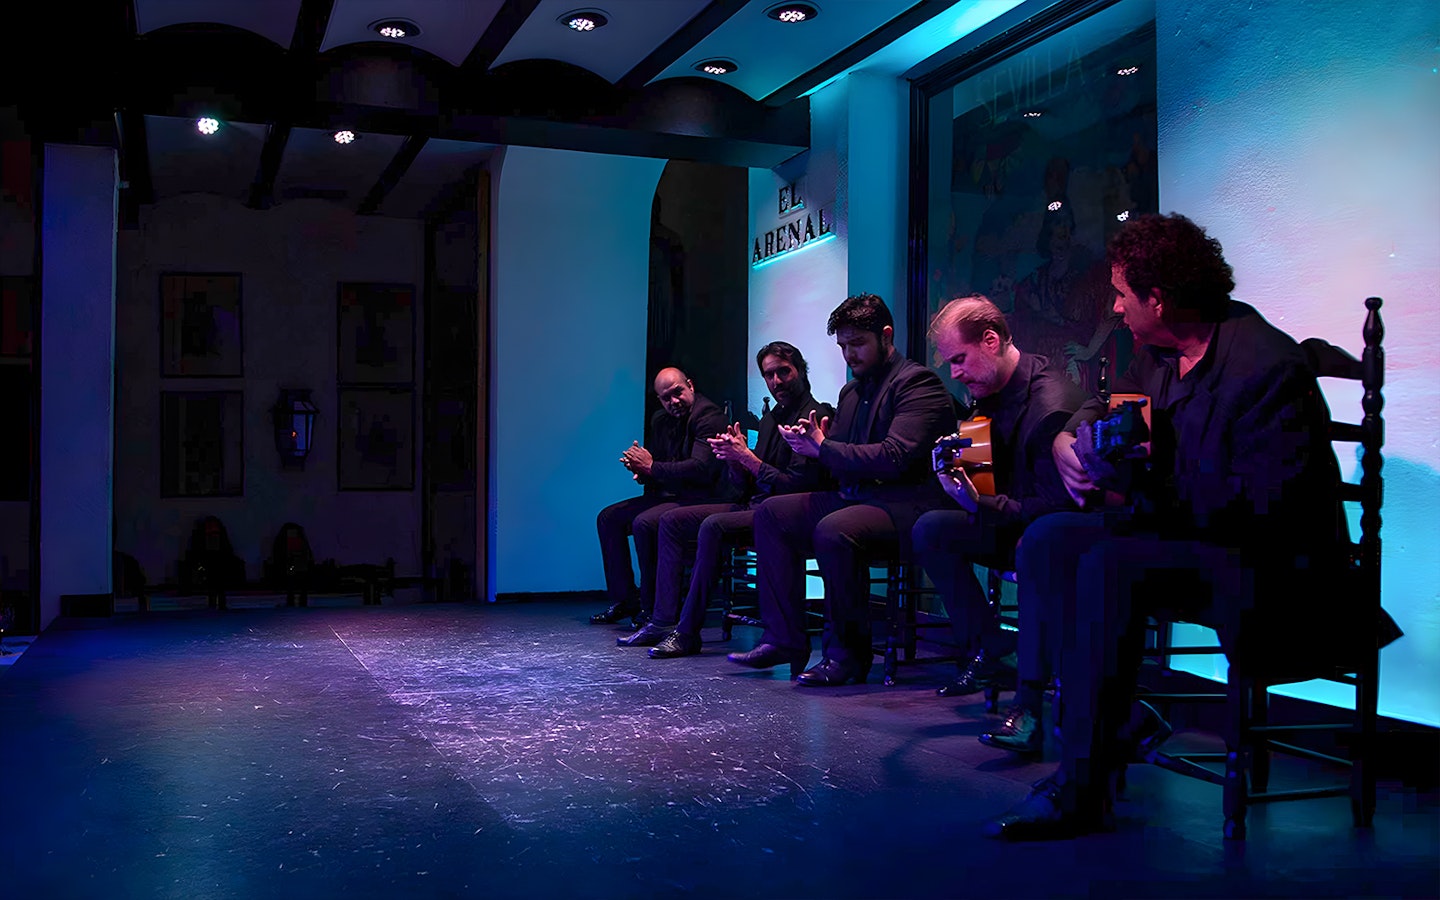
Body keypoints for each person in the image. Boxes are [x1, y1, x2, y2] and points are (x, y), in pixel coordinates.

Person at [984, 213, 1354, 839]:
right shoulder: (1160, 356)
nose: (1115, 307)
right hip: (1188, 534)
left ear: (1158, 298)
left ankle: (1083, 785)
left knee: (1110, 562)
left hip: (1266, 562)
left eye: (1123, 295)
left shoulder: (1265, 367)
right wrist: (1071, 444)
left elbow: (1260, 507)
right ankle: (1113, 719)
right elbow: (1108, 405)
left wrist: (1130, 482)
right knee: (1049, 539)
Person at [727, 294, 956, 685]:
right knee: (772, 513)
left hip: (908, 504)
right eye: (843, 346)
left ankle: (847, 656)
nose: (849, 354)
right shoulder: (850, 393)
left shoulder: (917, 383)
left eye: (858, 344)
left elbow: (896, 457)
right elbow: (839, 454)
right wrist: (813, 447)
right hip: (860, 497)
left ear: (886, 336)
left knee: (835, 530)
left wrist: (825, 447)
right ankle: (783, 638)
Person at [911, 295, 1100, 711]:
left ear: (991, 340)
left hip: (1047, 531)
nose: (956, 374)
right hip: (1012, 520)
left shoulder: (1051, 407)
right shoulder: (989, 388)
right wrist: (957, 472)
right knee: (930, 529)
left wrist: (979, 502)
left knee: (1031, 545)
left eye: (960, 359)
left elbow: (1054, 510)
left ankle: (1032, 687)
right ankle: (993, 647)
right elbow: (987, 473)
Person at [618, 342, 834, 656]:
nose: (776, 381)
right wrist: (735, 461)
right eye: (769, 375)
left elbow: (795, 485)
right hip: (757, 504)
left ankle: (687, 631)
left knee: (712, 526)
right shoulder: (772, 418)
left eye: (783, 372)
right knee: (671, 521)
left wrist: (747, 459)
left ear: (800, 370)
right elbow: (748, 482)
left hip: (786, 511)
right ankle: (662, 621)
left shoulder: (815, 415)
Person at [590, 367, 728, 626]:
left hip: (702, 497)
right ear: (659, 400)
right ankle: (625, 599)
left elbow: (701, 469)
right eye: (667, 398)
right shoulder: (660, 420)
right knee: (608, 518)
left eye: (678, 393)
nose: (674, 402)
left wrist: (651, 468)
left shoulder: (708, 416)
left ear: (690, 385)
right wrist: (641, 471)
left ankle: (652, 606)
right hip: (671, 494)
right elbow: (659, 463)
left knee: (645, 522)